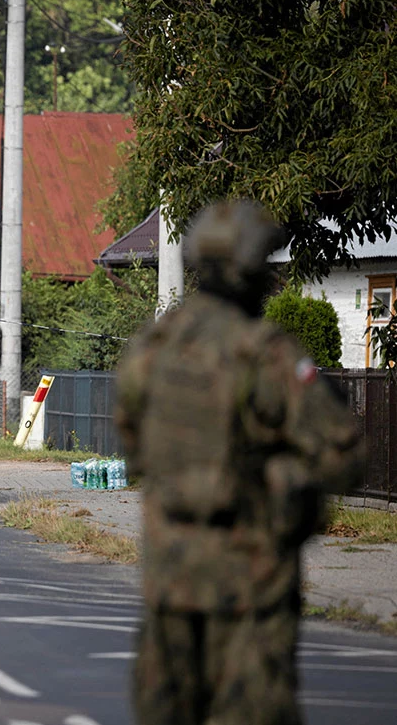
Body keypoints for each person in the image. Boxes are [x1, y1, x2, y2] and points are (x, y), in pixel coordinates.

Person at [115, 200, 365, 725]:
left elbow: (134, 447)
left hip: (171, 576)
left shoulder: (154, 348)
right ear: (248, 270)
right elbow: (345, 457)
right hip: (250, 582)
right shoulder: (266, 354)